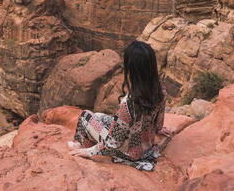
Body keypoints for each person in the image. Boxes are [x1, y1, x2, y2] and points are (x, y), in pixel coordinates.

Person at [68, 40, 171, 171]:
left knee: (85, 116)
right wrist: (158, 129)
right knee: (98, 115)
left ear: (131, 68)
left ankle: (84, 148)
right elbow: (158, 125)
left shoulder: (129, 103)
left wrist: (89, 153)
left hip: (127, 152)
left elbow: (112, 143)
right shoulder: (160, 90)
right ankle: (87, 146)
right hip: (145, 146)